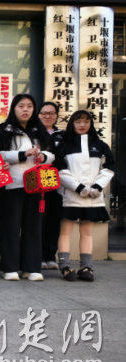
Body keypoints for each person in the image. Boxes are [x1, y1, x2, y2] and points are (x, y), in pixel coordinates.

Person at [0, 94, 54, 282]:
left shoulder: (40, 130)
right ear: (14, 108)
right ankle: (9, 267)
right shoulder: (4, 130)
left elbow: (52, 154)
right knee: (10, 227)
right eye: (21, 106)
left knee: (33, 227)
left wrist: (44, 157)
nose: (25, 109)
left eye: (29, 106)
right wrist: (22, 154)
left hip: (36, 186)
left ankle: (31, 268)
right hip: (11, 185)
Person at [55, 110, 115, 282]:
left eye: (86, 122)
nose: (82, 125)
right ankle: (65, 266)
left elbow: (109, 168)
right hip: (71, 196)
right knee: (65, 231)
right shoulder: (64, 145)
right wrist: (79, 187)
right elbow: (60, 169)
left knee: (87, 232)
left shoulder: (100, 145)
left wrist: (97, 186)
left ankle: (86, 267)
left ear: (91, 124)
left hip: (93, 197)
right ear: (71, 124)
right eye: (78, 121)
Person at [38, 101, 65, 270]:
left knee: (54, 219)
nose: (47, 116)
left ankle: (50, 256)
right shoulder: (33, 134)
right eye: (43, 113)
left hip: (58, 182)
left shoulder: (64, 136)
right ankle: (39, 256)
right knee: (38, 220)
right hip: (36, 181)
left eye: (51, 113)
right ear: (38, 115)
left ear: (56, 116)